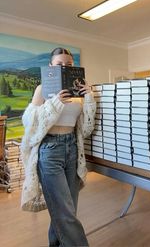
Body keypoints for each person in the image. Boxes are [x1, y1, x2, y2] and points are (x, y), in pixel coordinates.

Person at [20, 47, 96, 247]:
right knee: (64, 211)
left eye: (69, 65)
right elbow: (29, 122)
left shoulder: (79, 89)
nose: (65, 68)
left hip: (72, 148)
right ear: (51, 66)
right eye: (59, 64)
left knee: (67, 208)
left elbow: (86, 128)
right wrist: (54, 102)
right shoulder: (42, 88)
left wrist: (89, 98)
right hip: (50, 151)